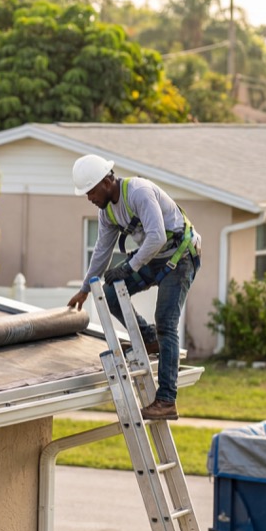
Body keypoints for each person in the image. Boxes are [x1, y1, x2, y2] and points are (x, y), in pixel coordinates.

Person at [67, 155, 201, 420]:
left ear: (107, 181)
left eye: (91, 191)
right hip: (154, 258)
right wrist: (85, 288)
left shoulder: (138, 192)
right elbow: (102, 252)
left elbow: (157, 236)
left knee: (166, 321)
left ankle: (166, 401)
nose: (89, 198)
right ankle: (147, 338)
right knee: (108, 293)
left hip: (181, 256)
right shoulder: (106, 212)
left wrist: (129, 267)